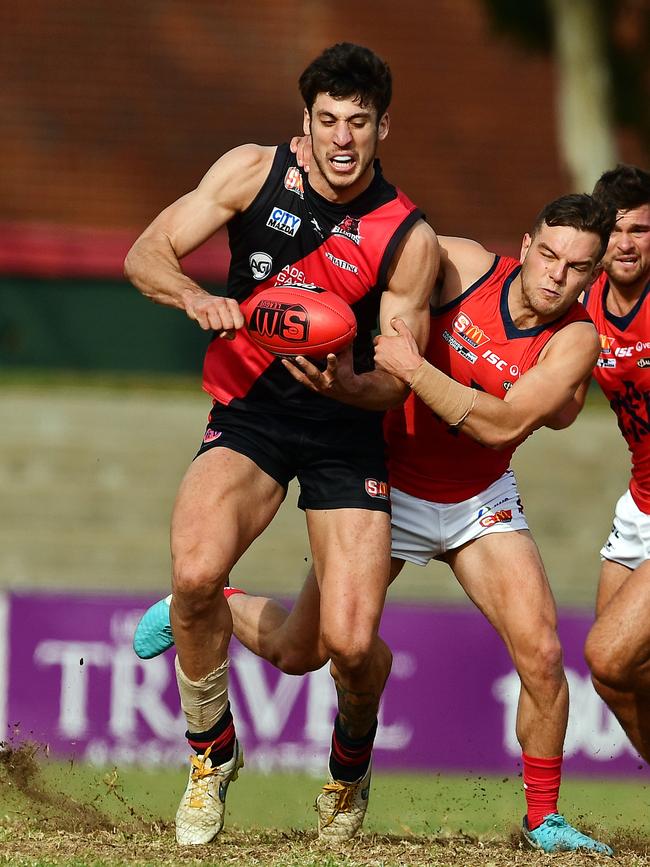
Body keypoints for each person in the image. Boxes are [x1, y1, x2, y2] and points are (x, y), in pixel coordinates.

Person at [134, 192, 616, 854]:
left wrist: (414, 368)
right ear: (527, 247)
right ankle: (208, 603)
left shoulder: (576, 339)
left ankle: (543, 819)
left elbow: (502, 422)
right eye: (551, 255)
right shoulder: (462, 264)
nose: (558, 274)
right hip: (384, 483)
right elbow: (381, 260)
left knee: (543, 652)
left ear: (591, 277)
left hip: (479, 496)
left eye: (577, 266)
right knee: (302, 652)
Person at [123, 42, 438, 846]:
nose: (341, 138)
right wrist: (194, 293)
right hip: (252, 415)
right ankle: (210, 756)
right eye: (327, 120)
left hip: (346, 433)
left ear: (382, 128)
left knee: (347, 644)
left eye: (358, 123)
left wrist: (348, 387)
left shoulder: (407, 237)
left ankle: (350, 762)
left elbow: (401, 379)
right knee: (194, 573)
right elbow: (145, 253)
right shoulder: (250, 172)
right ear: (305, 122)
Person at [578, 166, 650, 762]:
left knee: (608, 653)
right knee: (610, 677)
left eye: (642, 230)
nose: (627, 244)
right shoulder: (585, 304)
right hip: (639, 502)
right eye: (617, 230)